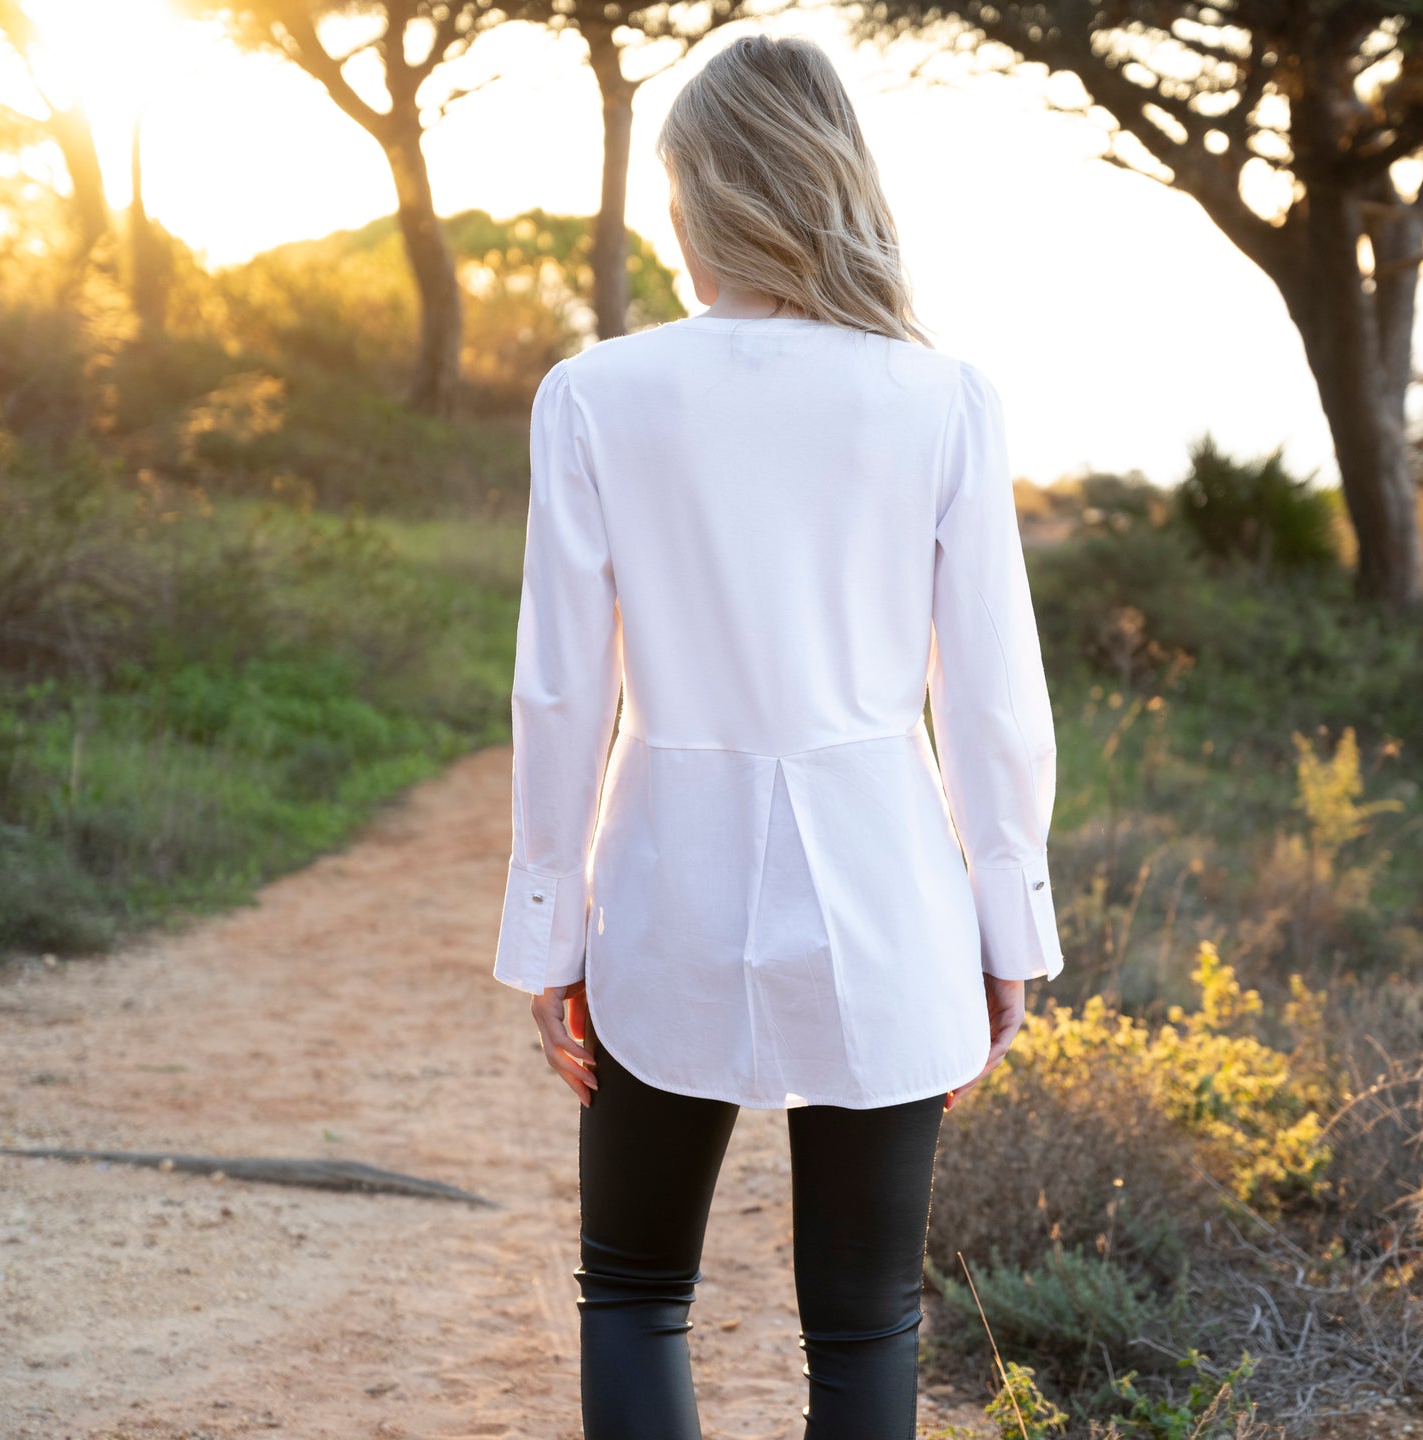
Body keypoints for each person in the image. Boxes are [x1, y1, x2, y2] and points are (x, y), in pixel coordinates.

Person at [490, 31, 1065, 1440]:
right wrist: (1009, 924)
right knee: (866, 1325)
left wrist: (548, 931)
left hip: (661, 893)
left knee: (634, 1291)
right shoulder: (942, 398)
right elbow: (992, 697)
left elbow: (561, 693)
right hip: (889, 895)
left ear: (705, 196)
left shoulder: (594, 394)